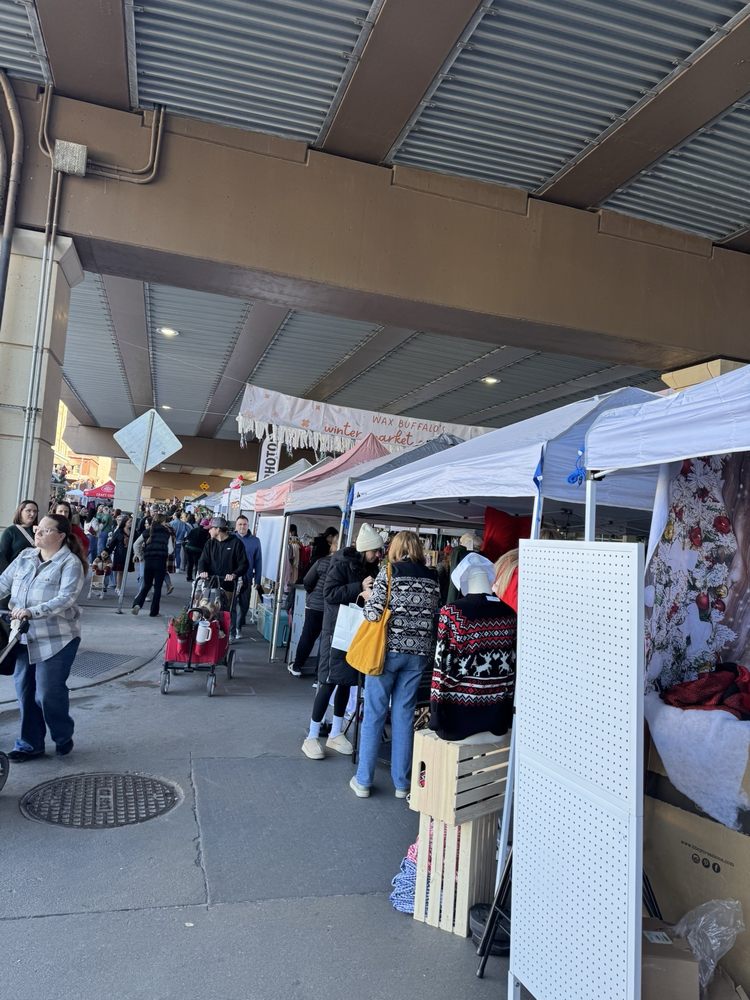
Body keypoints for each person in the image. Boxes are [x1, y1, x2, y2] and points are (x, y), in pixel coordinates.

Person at [349, 531, 440, 798]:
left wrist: (366, 599)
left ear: (395, 549)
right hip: (418, 654)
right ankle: (402, 783)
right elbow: (436, 612)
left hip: (386, 652)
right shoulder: (433, 577)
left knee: (375, 714)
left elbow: (375, 612)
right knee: (404, 715)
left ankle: (363, 780)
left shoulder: (388, 572)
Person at [0, 513, 87, 761]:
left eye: (46, 530)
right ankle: (30, 744)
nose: (38, 532)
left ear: (60, 536)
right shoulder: (25, 557)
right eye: (38, 528)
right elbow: (3, 583)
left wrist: (32, 611)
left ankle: (62, 734)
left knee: (47, 694)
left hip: (57, 639)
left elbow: (66, 599)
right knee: (26, 693)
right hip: (22, 637)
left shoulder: (70, 564)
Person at [301, 523, 382, 761]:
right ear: (365, 549)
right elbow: (330, 593)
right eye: (375, 550)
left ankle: (336, 732)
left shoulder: (369, 568)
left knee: (346, 682)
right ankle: (312, 736)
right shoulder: (341, 563)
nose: (378, 555)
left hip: (354, 633)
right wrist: (359, 589)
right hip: (335, 631)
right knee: (327, 682)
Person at [289, 533, 337, 677]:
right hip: (332, 607)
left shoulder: (322, 562)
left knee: (308, 636)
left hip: (315, 605)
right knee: (326, 641)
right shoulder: (348, 565)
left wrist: (311, 595)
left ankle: (297, 666)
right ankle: (319, 675)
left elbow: (308, 581)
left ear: (333, 546)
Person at [198, 517, 249, 632]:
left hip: (228, 585)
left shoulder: (236, 543)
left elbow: (244, 564)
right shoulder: (209, 543)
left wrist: (234, 574)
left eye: (211, 528)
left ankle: (228, 634)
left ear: (218, 529)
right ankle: (208, 633)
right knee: (207, 610)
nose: (209, 531)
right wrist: (202, 571)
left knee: (226, 612)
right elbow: (202, 561)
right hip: (210, 583)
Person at [131, 513, 171, 617]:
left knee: (146, 585)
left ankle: (137, 604)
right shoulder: (167, 532)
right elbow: (170, 550)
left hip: (148, 561)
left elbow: (136, 544)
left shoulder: (148, 530)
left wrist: (140, 556)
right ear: (163, 521)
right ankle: (154, 612)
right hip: (160, 562)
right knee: (157, 588)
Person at [232, 515, 262, 641]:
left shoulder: (255, 541)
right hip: (232, 577)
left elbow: (258, 560)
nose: (242, 527)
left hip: (247, 577)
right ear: (236, 526)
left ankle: (239, 626)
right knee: (231, 605)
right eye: (240, 524)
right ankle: (232, 630)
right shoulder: (231, 538)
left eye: (244, 524)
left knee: (244, 605)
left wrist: (258, 579)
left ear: (248, 526)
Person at [110, 516, 135, 593]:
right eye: (129, 522)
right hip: (120, 554)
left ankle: (121, 586)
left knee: (124, 571)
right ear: (125, 522)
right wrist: (108, 551)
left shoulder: (133, 531)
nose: (131, 523)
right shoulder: (119, 531)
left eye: (131, 521)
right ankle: (118, 587)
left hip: (129, 554)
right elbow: (113, 542)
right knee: (120, 571)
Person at [183, 518, 210, 583]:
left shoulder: (194, 529)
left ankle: (189, 577)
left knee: (190, 563)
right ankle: (197, 578)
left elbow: (188, 538)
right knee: (197, 564)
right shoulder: (206, 532)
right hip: (198, 550)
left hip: (188, 547)